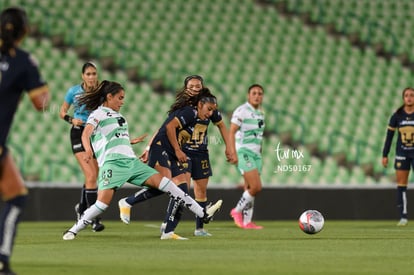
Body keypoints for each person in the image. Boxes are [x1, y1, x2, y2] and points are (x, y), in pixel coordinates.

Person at [62, 81, 222, 241]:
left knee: (169, 185)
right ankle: (73, 230)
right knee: (102, 205)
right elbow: (86, 134)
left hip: (132, 162)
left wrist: (130, 141)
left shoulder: (120, 117)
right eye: (120, 98)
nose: (122, 101)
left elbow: (113, 136)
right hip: (113, 164)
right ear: (109, 97)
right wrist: (88, 150)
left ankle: (203, 213)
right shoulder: (98, 114)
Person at [120, 76, 234, 237]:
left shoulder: (206, 106)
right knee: (177, 188)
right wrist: (149, 147)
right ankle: (168, 224)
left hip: (197, 152)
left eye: (198, 86)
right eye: (191, 86)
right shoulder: (186, 110)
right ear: (186, 88)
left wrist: (229, 147)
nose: (195, 88)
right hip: (179, 151)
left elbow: (221, 124)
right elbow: (165, 128)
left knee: (185, 190)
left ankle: (190, 228)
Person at [0, 7, 50, 274]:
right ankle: (1, 258)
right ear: (25, 31)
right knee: (16, 197)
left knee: (16, 191)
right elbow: (40, 103)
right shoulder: (22, 61)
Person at [59, 61, 105, 232]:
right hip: (79, 133)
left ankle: (82, 209)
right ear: (82, 76)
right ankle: (93, 219)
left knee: (94, 177)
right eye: (88, 74)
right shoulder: (74, 91)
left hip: (95, 134)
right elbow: (62, 111)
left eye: (94, 73)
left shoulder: (102, 92)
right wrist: (71, 119)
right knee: (91, 175)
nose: (92, 77)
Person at [229, 84, 265, 229]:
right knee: (256, 187)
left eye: (260, 93)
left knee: (249, 187)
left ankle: (247, 221)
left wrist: (260, 153)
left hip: (256, 154)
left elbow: (259, 136)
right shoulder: (241, 111)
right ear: (248, 95)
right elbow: (231, 132)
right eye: (254, 93)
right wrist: (232, 152)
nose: (257, 96)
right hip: (244, 151)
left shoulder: (260, 113)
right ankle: (236, 211)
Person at [382, 87, 414, 226]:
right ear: (403, 98)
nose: (409, 98)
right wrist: (385, 154)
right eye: (406, 95)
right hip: (402, 153)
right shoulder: (397, 115)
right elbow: (389, 137)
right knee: (401, 185)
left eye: (412, 95)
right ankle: (403, 216)